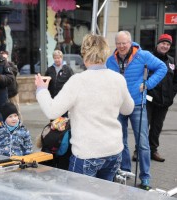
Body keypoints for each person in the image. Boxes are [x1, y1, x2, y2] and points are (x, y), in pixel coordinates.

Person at [35, 34, 134, 181]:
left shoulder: (78, 81)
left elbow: (52, 111)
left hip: (87, 152)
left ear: (84, 54)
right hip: (113, 151)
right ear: (106, 52)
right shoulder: (118, 78)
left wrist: (41, 90)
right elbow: (128, 109)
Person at [106, 30, 167, 190]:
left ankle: (145, 177)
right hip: (118, 105)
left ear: (130, 42)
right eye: (118, 43)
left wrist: (148, 85)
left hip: (137, 104)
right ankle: (126, 171)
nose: (121, 46)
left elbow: (162, 67)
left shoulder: (143, 55)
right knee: (121, 141)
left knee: (143, 143)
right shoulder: (110, 60)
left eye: (124, 43)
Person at [146, 34, 177, 162]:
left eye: (168, 44)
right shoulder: (149, 58)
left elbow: (175, 81)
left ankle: (153, 150)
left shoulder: (172, 61)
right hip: (149, 100)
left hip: (164, 102)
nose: (165, 46)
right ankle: (139, 150)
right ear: (158, 44)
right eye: (163, 43)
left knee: (157, 127)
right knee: (143, 125)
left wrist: (171, 96)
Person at [0, 50, 21, 118]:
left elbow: (14, 71)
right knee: (5, 111)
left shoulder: (11, 65)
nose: (4, 60)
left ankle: (19, 124)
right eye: (3, 58)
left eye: (5, 58)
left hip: (13, 93)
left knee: (16, 110)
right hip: (3, 93)